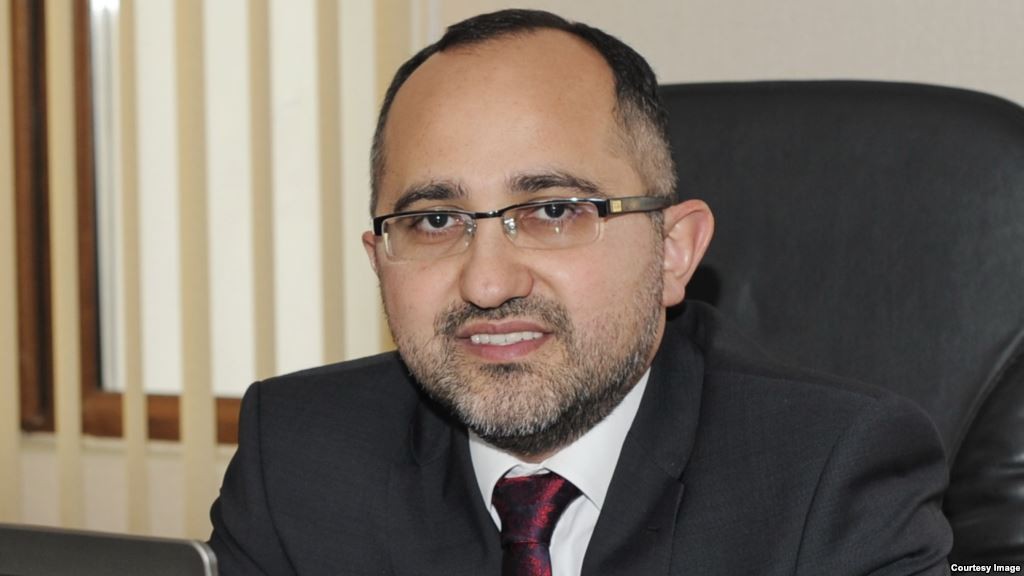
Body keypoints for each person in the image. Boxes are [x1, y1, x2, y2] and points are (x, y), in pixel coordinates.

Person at [209, 9, 952, 575]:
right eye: (435, 220)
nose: (488, 283)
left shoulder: (830, 473)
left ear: (672, 251)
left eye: (555, 211)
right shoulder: (299, 454)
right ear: (379, 260)